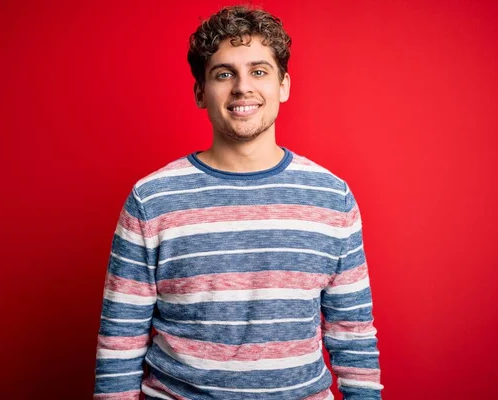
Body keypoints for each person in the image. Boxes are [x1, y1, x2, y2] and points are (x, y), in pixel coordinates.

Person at [94, 5, 382, 400]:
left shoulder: (332, 197)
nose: (242, 87)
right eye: (224, 73)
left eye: (259, 71)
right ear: (200, 92)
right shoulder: (151, 200)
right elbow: (120, 341)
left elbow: (352, 332)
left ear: (283, 85)